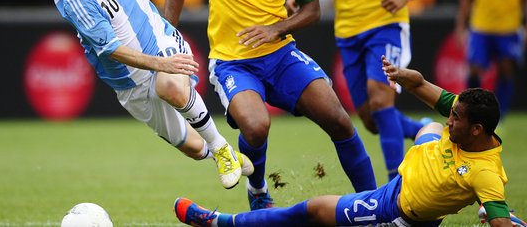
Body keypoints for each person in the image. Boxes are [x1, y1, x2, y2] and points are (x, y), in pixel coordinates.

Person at [164, 0, 376, 210]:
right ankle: (258, 189)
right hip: (232, 62)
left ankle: (374, 205)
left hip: (281, 56)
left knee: (340, 121)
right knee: (257, 126)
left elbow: (311, 10)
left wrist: (277, 28)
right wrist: (168, 32)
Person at [173, 56, 526, 227]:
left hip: (395, 209)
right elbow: (424, 89)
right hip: (413, 173)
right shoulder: (467, 120)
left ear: (477, 130)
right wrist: (408, 78)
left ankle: (218, 222)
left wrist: (500, 215)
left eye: (457, 119)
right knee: (430, 128)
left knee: (310, 212)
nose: (452, 118)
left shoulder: (485, 174)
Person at [52, 0, 254, 190]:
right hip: (128, 82)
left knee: (169, 84)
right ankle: (224, 152)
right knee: (193, 147)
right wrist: (161, 64)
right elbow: (112, 49)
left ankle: (219, 148)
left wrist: (163, 61)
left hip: (160, 40)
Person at [287, 0, 438, 181]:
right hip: (347, 30)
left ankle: (398, 186)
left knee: (381, 101)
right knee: (370, 119)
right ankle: (423, 129)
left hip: (386, 25)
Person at [455, 0, 527, 121]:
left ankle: (499, 116)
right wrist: (461, 26)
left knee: (506, 70)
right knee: (475, 68)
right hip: (481, 25)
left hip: (509, 26)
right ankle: (469, 111)